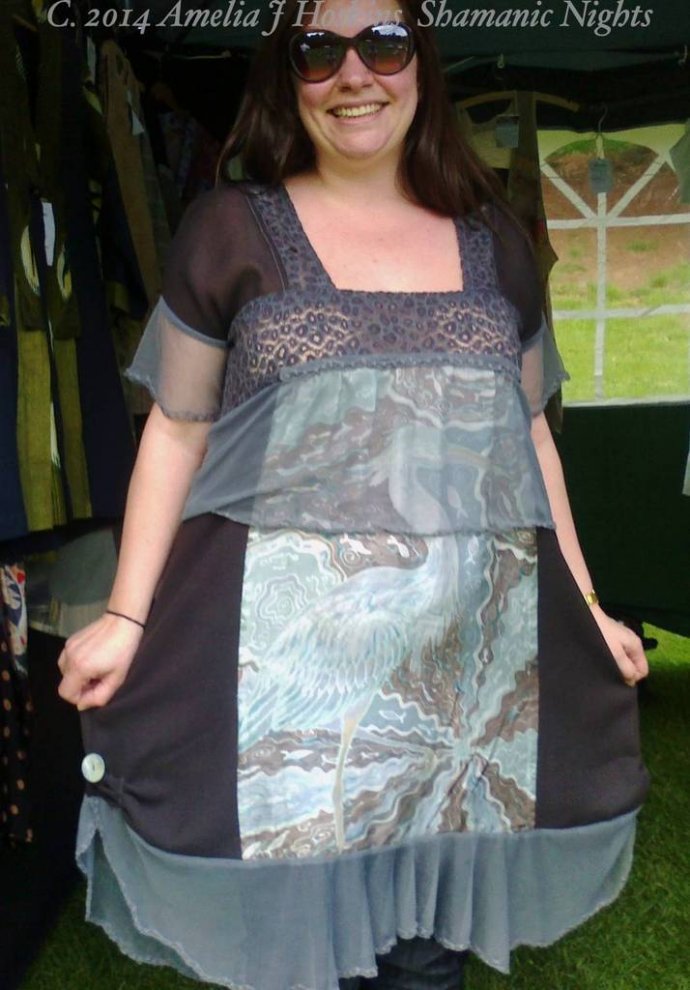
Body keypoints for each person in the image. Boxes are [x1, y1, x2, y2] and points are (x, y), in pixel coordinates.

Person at [58, 2, 650, 988]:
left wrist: (585, 605)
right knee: (301, 950)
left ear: (422, 62)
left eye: (383, 42)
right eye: (318, 49)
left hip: (460, 683)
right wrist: (127, 615)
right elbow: (178, 427)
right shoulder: (231, 229)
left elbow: (532, 435)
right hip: (291, 692)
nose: (353, 74)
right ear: (285, 75)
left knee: (427, 955)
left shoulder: (495, 243)